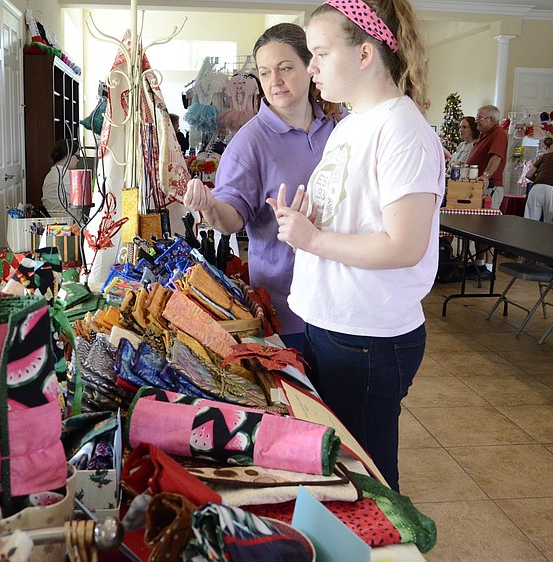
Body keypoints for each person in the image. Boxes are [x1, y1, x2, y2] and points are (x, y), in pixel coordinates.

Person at [268, 0, 444, 491]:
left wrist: (315, 238)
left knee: (368, 483)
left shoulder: (403, 130)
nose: (312, 67)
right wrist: (311, 220)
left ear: (365, 53)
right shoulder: (350, 125)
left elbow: (404, 245)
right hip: (332, 323)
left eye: (320, 53)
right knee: (342, 467)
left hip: (368, 337)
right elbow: (359, 216)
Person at [183, 22, 343, 354]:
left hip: (343, 303)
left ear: (310, 67)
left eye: (285, 68)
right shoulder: (249, 143)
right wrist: (209, 204)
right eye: (265, 73)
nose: (275, 82)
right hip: (287, 313)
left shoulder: (338, 129)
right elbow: (231, 219)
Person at [466, 104, 508, 278]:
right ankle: (479, 265)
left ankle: (489, 269)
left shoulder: (498, 133)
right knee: (478, 228)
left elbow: (496, 157)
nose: (476, 121)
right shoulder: (483, 136)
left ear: (492, 120)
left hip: (490, 187)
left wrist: (486, 175)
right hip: (478, 187)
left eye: (480, 117)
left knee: (487, 228)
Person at [40, 138, 78, 216]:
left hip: (51, 218)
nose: (78, 160)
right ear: (68, 155)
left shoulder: (50, 174)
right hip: (68, 219)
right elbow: (82, 200)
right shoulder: (67, 176)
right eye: (77, 157)